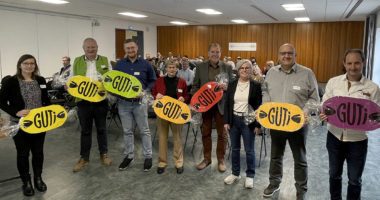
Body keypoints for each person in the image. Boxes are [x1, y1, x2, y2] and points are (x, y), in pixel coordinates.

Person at [320, 49, 380, 200]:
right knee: (334, 175)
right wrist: (323, 112)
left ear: (363, 63)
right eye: (349, 63)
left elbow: (376, 114)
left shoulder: (373, 88)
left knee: (354, 179)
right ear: (344, 64)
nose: (353, 67)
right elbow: (325, 104)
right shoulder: (333, 82)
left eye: (357, 63)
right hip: (334, 137)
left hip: (357, 141)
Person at [262, 43, 319, 199]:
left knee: (299, 158)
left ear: (295, 55)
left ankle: (301, 190)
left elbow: (315, 98)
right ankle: (274, 183)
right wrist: (266, 106)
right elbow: (265, 91)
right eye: (283, 53)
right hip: (276, 123)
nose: (286, 56)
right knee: (275, 156)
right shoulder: (271, 73)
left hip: (298, 125)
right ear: (279, 55)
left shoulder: (307, 73)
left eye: (290, 53)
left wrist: (304, 113)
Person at [0, 54, 50, 196]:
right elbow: (1, 101)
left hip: (40, 123)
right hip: (20, 125)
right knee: (23, 154)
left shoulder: (40, 80)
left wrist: (54, 113)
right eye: (26, 63)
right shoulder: (11, 81)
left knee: (38, 153)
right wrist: (16, 112)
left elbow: (46, 100)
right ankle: (26, 182)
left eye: (32, 63)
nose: (29, 66)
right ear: (20, 65)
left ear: (35, 65)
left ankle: (38, 178)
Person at [115, 39, 157, 172]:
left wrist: (145, 91)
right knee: (127, 131)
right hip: (123, 103)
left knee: (144, 130)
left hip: (140, 103)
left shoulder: (146, 64)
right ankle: (129, 156)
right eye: (128, 48)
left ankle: (148, 156)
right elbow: (113, 82)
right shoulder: (119, 65)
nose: (130, 50)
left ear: (137, 48)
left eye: (132, 48)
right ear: (124, 49)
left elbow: (153, 80)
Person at [72, 38, 112, 172]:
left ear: (97, 47)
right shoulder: (77, 61)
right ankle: (84, 158)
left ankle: (104, 154)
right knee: (85, 131)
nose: (91, 49)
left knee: (101, 129)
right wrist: (68, 86)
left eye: (93, 47)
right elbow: (71, 79)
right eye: (88, 47)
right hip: (83, 101)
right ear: (83, 48)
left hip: (101, 101)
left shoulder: (105, 60)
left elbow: (111, 78)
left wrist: (106, 81)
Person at [191, 42, 233, 172]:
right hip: (205, 106)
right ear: (208, 53)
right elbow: (195, 87)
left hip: (222, 106)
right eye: (213, 52)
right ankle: (207, 159)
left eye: (217, 52)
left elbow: (233, 86)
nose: (215, 54)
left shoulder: (227, 67)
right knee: (205, 133)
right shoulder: (200, 67)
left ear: (221, 53)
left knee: (223, 134)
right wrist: (197, 100)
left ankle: (221, 160)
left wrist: (228, 88)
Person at [223, 59, 262, 189]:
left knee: (249, 150)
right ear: (238, 70)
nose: (244, 70)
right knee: (234, 149)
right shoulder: (232, 84)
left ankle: (250, 175)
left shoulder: (256, 85)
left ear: (251, 70)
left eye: (247, 68)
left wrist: (257, 125)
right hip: (234, 120)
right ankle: (235, 173)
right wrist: (226, 121)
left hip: (248, 121)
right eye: (242, 68)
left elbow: (258, 107)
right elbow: (228, 103)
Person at [152, 61, 189, 174]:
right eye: (170, 67)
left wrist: (184, 98)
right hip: (162, 113)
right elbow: (153, 93)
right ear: (166, 69)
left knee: (177, 137)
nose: (172, 69)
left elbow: (187, 95)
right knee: (162, 137)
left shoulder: (182, 82)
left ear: (177, 69)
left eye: (174, 67)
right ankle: (162, 162)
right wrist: (156, 96)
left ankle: (179, 162)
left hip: (177, 113)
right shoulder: (159, 81)